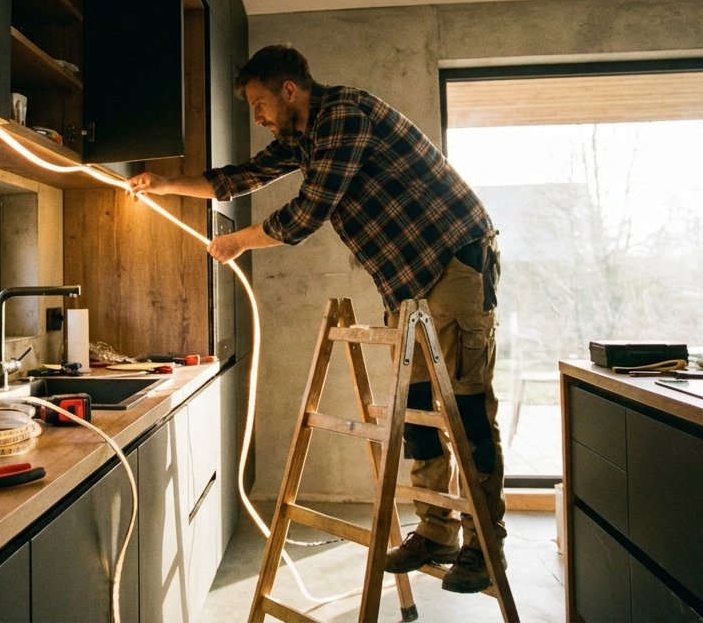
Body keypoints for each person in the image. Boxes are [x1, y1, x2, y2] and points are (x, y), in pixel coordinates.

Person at [127, 44, 505, 593]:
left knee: (465, 409)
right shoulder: (301, 136)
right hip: (407, 281)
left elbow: (308, 212)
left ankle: (485, 546)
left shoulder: (345, 115)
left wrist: (237, 241)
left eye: (260, 104)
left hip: (452, 259)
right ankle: (437, 530)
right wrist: (165, 185)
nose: (258, 117)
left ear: (289, 90)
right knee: (419, 411)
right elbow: (242, 178)